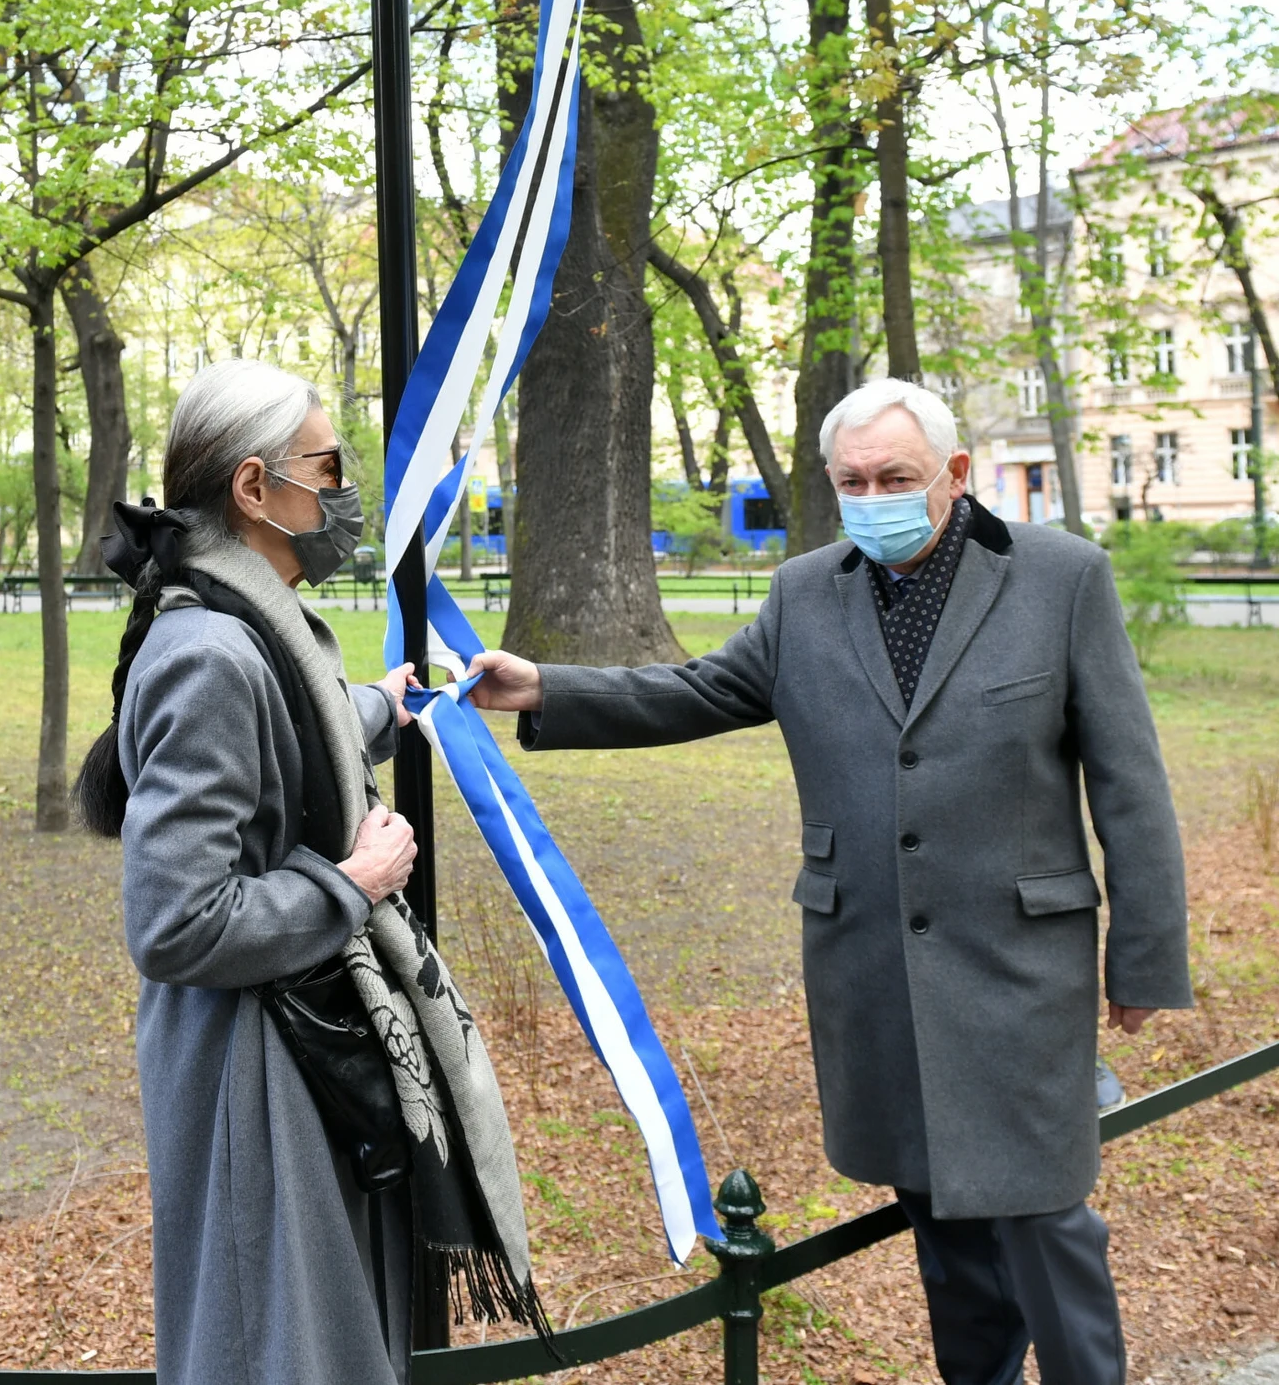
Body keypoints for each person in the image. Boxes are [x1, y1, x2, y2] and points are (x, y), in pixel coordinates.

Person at [469, 378, 1192, 1385]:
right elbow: (704, 687)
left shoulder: (1057, 578)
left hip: (1018, 969)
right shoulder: (804, 591)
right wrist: (547, 686)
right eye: (850, 479)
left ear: (952, 473)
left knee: (1041, 1219)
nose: (871, 494)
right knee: (939, 1222)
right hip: (873, 966)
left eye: (893, 476)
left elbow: (1129, 780)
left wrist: (1145, 954)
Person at [75, 359, 539, 1385]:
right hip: (256, 1067)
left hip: (304, 1036)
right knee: (275, 1344)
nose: (340, 494)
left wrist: (379, 702)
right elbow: (178, 922)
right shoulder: (210, 651)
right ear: (252, 488)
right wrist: (355, 881)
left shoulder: (254, 626)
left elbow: (290, 728)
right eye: (324, 468)